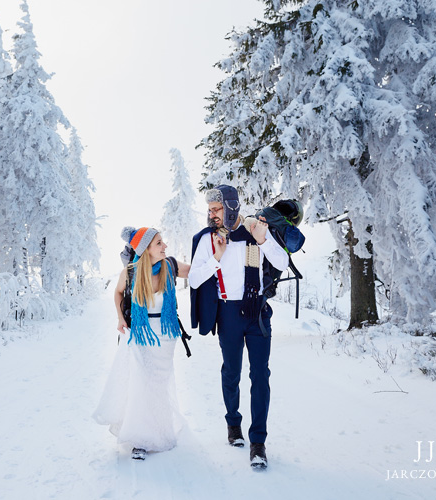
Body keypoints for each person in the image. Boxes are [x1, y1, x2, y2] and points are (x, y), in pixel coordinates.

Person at [188, 185, 289, 469]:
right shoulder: (208, 239)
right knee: (231, 372)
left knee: (260, 375)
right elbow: (195, 280)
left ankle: (258, 443)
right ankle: (233, 424)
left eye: (216, 209)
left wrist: (264, 241)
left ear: (231, 206)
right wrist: (216, 258)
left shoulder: (255, 229)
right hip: (228, 314)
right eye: (209, 210)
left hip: (257, 311)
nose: (212, 214)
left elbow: (283, 261)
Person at [93, 227, 190, 460]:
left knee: (157, 385)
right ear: (146, 249)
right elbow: (117, 294)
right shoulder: (131, 272)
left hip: (165, 335)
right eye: (159, 243)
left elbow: (197, 273)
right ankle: (140, 441)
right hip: (141, 335)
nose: (164, 246)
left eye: (163, 242)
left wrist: (218, 256)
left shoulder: (170, 266)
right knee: (142, 385)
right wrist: (119, 318)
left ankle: (159, 432)